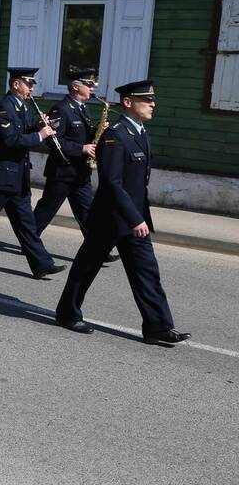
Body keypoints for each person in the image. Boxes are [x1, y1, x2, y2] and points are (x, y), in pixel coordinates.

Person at [55, 80, 190, 345]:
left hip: (133, 218)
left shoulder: (139, 132)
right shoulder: (115, 135)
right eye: (146, 100)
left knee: (147, 271)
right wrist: (134, 217)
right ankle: (67, 313)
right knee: (87, 267)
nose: (153, 104)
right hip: (110, 218)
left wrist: (139, 217)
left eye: (152, 100)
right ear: (128, 103)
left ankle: (158, 327)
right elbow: (112, 183)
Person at [0, 67, 66, 279]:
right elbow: (11, 141)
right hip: (2, 175)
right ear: (16, 84)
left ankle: (41, 263)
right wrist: (41, 135)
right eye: (29, 84)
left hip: (18, 175)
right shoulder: (4, 108)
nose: (32, 88)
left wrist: (38, 125)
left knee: (26, 224)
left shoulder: (22, 107)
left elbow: (23, 132)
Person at [33, 68, 104, 248]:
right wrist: (82, 148)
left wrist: (101, 132)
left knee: (88, 211)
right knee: (46, 210)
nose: (92, 89)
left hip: (80, 171)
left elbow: (86, 137)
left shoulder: (84, 109)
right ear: (75, 87)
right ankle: (30, 243)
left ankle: (96, 248)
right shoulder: (61, 109)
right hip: (62, 171)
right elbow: (54, 141)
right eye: (89, 85)